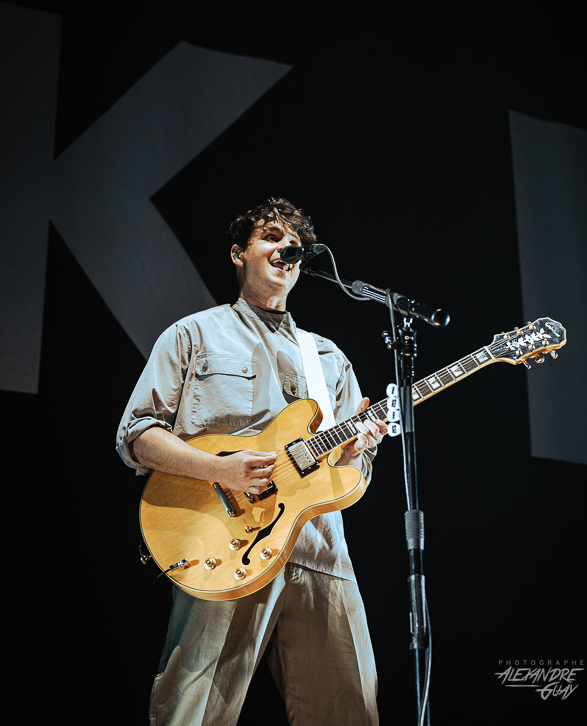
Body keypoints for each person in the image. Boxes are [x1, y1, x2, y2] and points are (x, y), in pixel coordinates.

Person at [116, 197, 386, 726]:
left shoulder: (328, 357)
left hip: (322, 552)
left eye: (293, 243)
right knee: (195, 708)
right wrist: (220, 469)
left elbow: (352, 475)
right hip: (224, 540)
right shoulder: (193, 334)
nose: (286, 248)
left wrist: (356, 450)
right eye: (270, 237)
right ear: (240, 254)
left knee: (350, 709)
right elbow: (138, 436)